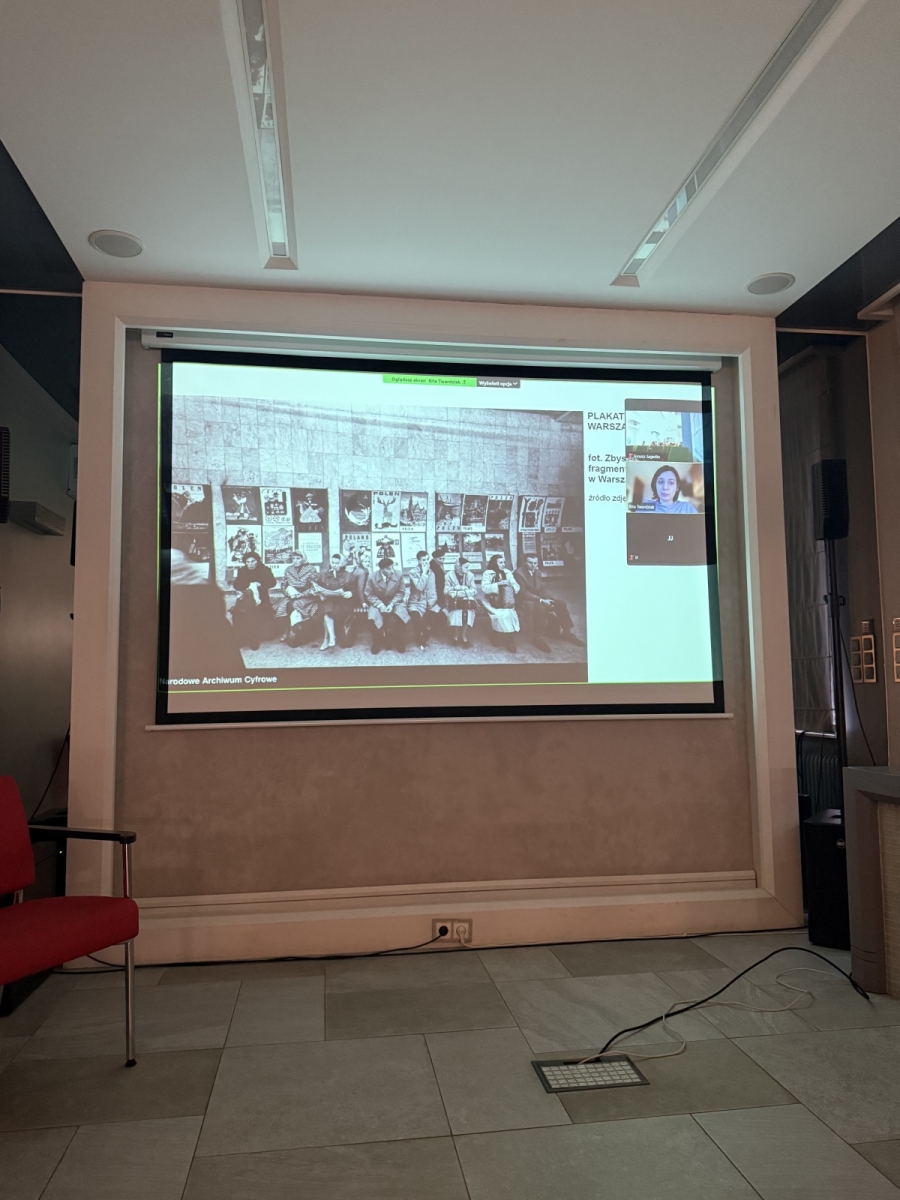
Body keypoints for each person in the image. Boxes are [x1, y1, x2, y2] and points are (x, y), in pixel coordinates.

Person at [514, 554, 585, 653]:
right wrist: (541, 600)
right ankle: (537, 637)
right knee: (541, 607)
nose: (533, 565)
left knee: (560, 604)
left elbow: (541, 589)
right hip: (524, 600)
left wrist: (550, 599)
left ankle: (567, 632)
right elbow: (522, 592)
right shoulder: (518, 573)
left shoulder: (537, 572)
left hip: (537, 597)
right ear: (525, 563)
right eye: (530, 562)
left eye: (535, 563)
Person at [230, 551, 276, 650]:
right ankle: (241, 638)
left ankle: (253, 639)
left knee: (253, 613)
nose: (250, 564)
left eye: (253, 561)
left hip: (262, 599)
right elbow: (237, 585)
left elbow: (272, 582)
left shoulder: (264, 570)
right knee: (238, 613)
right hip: (247, 599)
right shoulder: (243, 571)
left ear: (257, 561)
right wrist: (248, 585)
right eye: (248, 562)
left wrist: (261, 584)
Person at [364, 557, 410, 654]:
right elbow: (369, 594)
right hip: (378, 602)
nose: (392, 571)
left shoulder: (398, 574)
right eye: (389, 569)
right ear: (382, 569)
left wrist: (392, 604)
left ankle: (400, 641)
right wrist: (380, 605)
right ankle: (377, 641)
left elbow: (401, 592)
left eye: (392, 567)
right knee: (373, 616)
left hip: (395, 601)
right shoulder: (372, 577)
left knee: (401, 614)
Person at [480, 553, 520, 652]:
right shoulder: (488, 573)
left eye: (504, 562)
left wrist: (510, 586)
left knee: (508, 614)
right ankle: (496, 634)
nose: (503, 565)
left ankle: (509, 640)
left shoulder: (507, 572)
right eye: (500, 563)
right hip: (492, 601)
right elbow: (485, 588)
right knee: (499, 616)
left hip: (507, 601)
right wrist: (498, 584)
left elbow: (516, 586)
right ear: (495, 563)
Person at [314, 553, 355, 650]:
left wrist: (351, 593)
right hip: (328, 601)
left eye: (337, 563)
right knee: (326, 608)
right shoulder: (324, 575)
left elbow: (354, 589)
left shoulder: (348, 576)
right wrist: (320, 594)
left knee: (326, 611)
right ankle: (331, 637)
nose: (334, 565)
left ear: (343, 563)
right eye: (333, 562)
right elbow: (319, 587)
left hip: (342, 603)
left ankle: (327, 638)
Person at [281, 550, 320, 646]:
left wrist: (302, 595)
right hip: (292, 596)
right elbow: (284, 585)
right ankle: (287, 630)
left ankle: (296, 631)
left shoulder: (311, 569)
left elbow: (314, 587)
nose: (295, 561)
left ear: (303, 559)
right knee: (283, 606)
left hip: (307, 597)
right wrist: (288, 593)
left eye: (298, 558)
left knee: (294, 605)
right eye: (293, 558)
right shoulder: (288, 569)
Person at [406, 550, 440, 648]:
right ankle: (419, 638)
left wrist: (433, 600)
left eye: (427, 559)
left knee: (438, 618)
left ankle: (425, 633)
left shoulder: (431, 573)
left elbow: (433, 589)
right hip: (415, 602)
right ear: (419, 561)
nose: (426, 562)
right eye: (423, 560)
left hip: (428, 602)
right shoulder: (413, 572)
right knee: (417, 619)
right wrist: (424, 573)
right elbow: (420, 587)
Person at [444, 556, 478, 646]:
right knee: (456, 614)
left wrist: (464, 592)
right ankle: (456, 635)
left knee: (468, 614)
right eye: (466, 567)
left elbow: (475, 590)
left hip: (467, 602)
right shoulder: (449, 575)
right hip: (454, 602)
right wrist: (456, 588)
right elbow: (446, 590)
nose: (468, 569)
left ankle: (464, 636)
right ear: (459, 566)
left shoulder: (470, 575)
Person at [430, 545, 448, 612]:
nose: (442, 561)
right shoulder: (434, 567)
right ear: (434, 558)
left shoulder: (438, 565)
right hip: (436, 593)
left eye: (443, 559)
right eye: (440, 559)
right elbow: (439, 584)